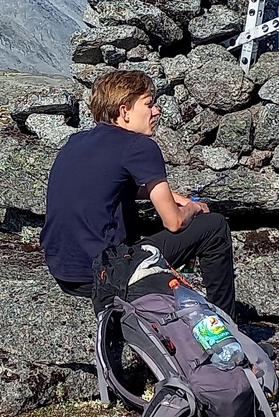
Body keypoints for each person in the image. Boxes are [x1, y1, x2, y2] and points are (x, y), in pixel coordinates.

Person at [42, 68, 238, 318]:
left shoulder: (77, 141)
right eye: (149, 104)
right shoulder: (140, 146)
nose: (157, 111)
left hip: (65, 270)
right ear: (124, 111)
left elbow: (106, 186)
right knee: (214, 226)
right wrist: (193, 208)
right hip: (105, 274)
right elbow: (174, 222)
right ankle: (228, 324)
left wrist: (174, 196)